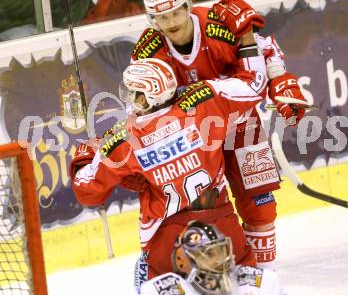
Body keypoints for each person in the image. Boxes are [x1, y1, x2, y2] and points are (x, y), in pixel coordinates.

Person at [129, 0, 308, 269]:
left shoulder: (218, 25)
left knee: (260, 203)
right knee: (202, 209)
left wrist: (280, 80)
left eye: (176, 12)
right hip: (194, 141)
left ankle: (263, 276)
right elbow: (140, 100)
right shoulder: (149, 50)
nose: (171, 22)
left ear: (188, 4)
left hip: (242, 126)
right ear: (152, 19)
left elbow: (265, 49)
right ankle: (207, 272)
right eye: (162, 17)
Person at [70, 58, 274, 282]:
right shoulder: (206, 98)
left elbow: (87, 191)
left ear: (147, 98)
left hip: (167, 241)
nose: (128, 99)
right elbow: (255, 84)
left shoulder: (122, 139)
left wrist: (85, 155)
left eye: (132, 93)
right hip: (224, 225)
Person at [128, 220, 309, 295]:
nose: (218, 263)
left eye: (220, 253)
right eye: (207, 256)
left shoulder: (260, 283)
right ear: (183, 263)